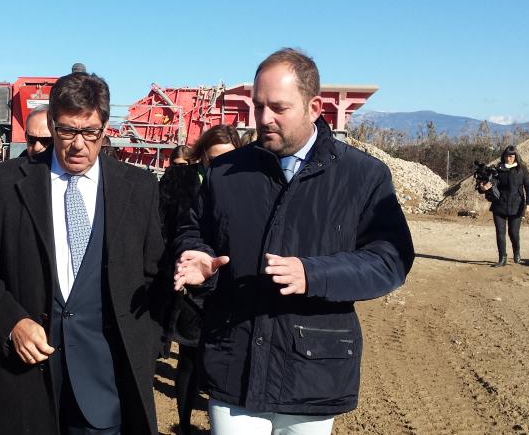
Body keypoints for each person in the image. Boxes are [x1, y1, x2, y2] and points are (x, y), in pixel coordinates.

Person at [172, 48, 415, 435]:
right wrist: (199, 256)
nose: (264, 119)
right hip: (235, 364)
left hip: (312, 371)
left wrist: (314, 274)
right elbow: (194, 231)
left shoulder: (362, 177)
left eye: (278, 108)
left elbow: (390, 259)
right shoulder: (226, 172)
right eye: (258, 106)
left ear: (314, 107)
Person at [0, 72, 167, 435]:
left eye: (91, 132)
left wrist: (145, 347)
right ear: (52, 126)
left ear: (106, 128)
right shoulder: (5, 184)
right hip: (25, 381)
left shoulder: (139, 188)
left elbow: (154, 277)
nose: (79, 145)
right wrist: (12, 323)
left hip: (105, 385)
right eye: (68, 131)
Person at [158, 125, 241, 435]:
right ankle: (185, 422)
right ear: (203, 157)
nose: (221, 166)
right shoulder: (185, 185)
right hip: (194, 285)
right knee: (191, 357)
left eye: (229, 158)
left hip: (231, 286)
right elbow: (172, 228)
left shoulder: (247, 187)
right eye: (214, 159)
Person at [480, 145, 529, 266]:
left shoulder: (522, 170)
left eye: (511, 156)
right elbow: (485, 184)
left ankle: (517, 253)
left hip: (517, 206)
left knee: (513, 233)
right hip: (499, 205)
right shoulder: (497, 170)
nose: (508, 158)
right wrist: (483, 188)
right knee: (500, 232)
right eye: (506, 156)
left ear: (515, 157)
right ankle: (502, 259)